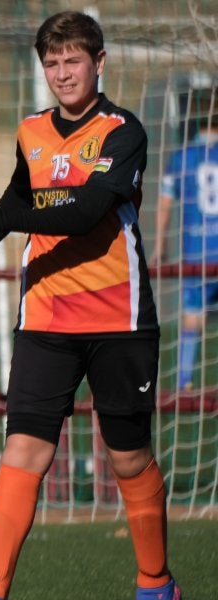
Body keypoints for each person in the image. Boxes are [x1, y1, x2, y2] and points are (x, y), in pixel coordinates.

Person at [0, 10, 178, 600]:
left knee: (127, 458)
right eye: (52, 63)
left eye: (74, 61)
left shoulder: (123, 131)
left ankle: (156, 584)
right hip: (44, 315)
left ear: (99, 63)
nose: (63, 73)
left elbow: (83, 211)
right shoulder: (32, 131)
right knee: (24, 449)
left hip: (119, 319)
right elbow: (20, 199)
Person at [153, 88, 218, 391]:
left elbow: (165, 203)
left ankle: (184, 381)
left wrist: (160, 244)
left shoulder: (182, 158)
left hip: (197, 252)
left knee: (192, 317)